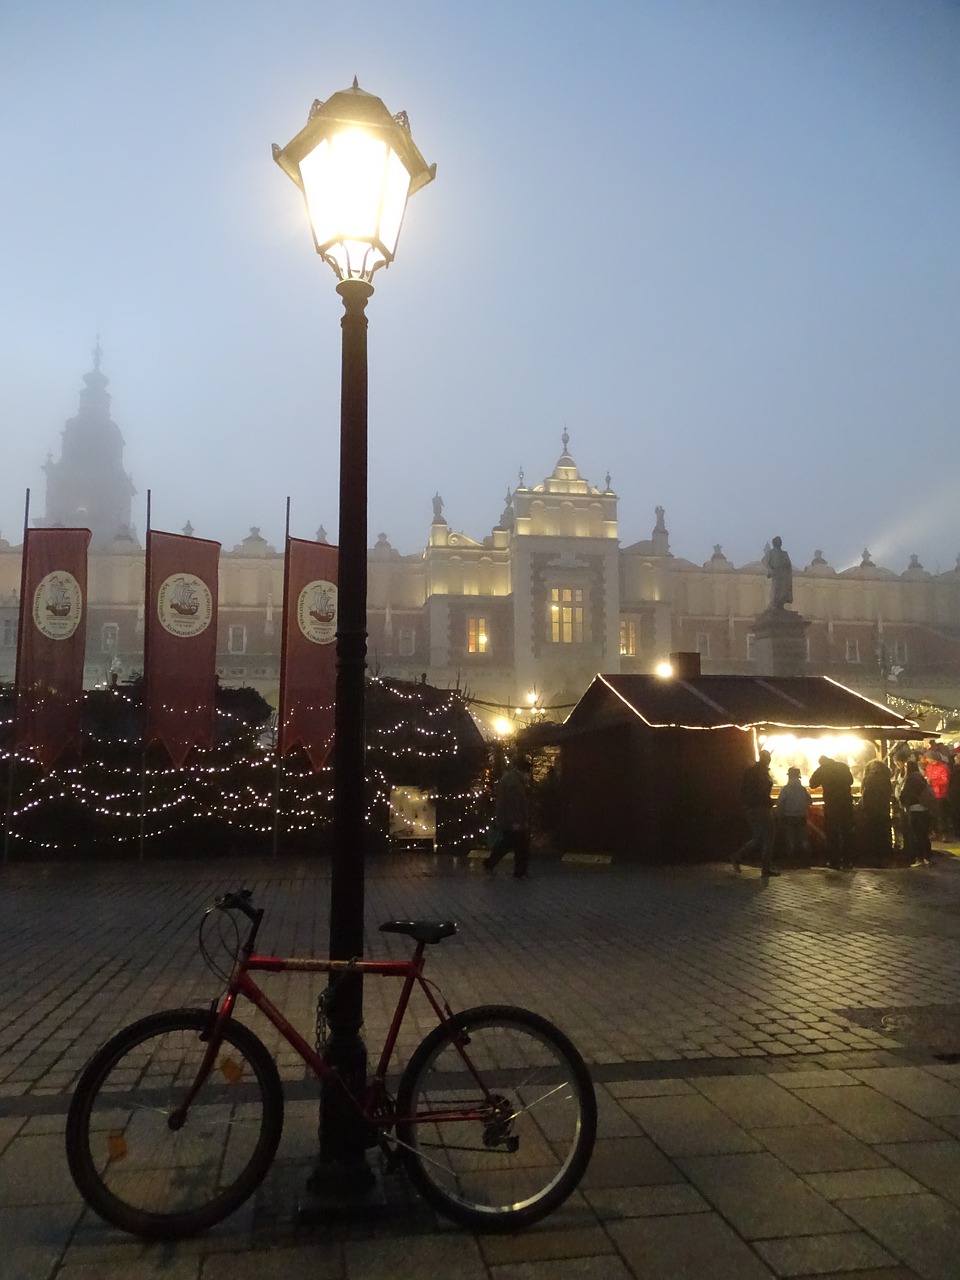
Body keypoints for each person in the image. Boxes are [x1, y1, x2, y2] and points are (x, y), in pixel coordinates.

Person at [732, 750, 779, 876]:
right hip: (762, 807)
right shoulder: (761, 773)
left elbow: (744, 790)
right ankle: (766, 868)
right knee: (769, 836)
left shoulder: (752, 771)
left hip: (752, 808)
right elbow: (762, 792)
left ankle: (738, 857)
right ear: (767, 759)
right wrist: (770, 801)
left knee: (758, 838)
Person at [485, 756, 532, 878]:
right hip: (514, 821)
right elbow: (514, 803)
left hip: (509, 819)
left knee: (508, 844)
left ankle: (491, 864)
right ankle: (519, 871)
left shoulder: (511, 779)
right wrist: (516, 821)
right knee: (520, 846)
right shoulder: (514, 783)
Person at [808, 754, 855, 869]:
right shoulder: (843, 766)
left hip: (832, 805)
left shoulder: (822, 769)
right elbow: (851, 781)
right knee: (847, 832)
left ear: (821, 763)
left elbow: (812, 784)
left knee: (832, 833)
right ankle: (848, 860)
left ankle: (834, 861)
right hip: (846, 803)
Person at [897, 760, 935, 865]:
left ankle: (920, 858)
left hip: (915, 809)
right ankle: (927, 857)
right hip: (924, 809)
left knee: (917, 834)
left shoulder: (910, 779)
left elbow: (905, 794)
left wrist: (903, 803)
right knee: (924, 834)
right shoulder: (920, 777)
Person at [860, 757, 894, 864]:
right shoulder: (886, 779)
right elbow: (889, 793)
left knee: (872, 831)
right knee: (883, 830)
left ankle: (873, 855)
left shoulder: (868, 780)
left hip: (870, 810)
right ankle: (885, 853)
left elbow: (864, 795)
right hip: (883, 809)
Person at [776, 766, 811, 862]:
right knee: (803, 838)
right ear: (799, 777)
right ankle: (806, 858)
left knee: (790, 838)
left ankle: (791, 859)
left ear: (789, 776)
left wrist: (779, 815)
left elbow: (779, 803)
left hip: (789, 816)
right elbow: (809, 801)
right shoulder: (803, 789)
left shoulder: (785, 789)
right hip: (801, 816)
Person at [763, 536, 793, 610]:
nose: (779, 543)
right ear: (774, 543)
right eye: (777, 541)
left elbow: (789, 564)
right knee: (776, 588)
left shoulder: (784, 553)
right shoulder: (770, 553)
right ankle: (774, 604)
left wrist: (788, 572)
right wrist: (770, 571)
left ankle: (781, 605)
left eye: (780, 541)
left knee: (784, 590)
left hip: (784, 574)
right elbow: (766, 562)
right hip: (776, 572)